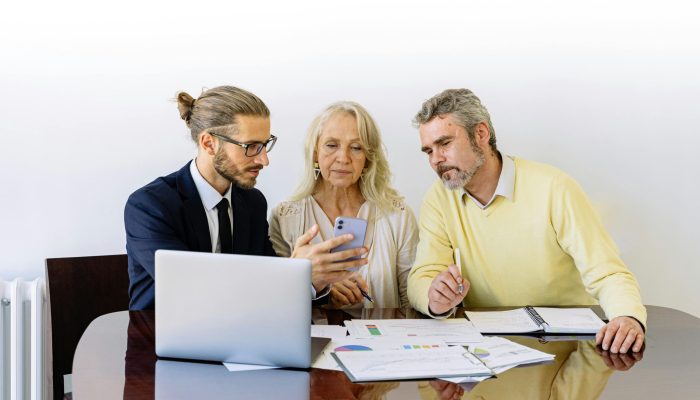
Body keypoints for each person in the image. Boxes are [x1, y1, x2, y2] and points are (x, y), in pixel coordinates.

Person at [407, 88, 646, 354]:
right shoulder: (438, 198)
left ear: (481, 134)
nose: (436, 160)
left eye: (444, 144)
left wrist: (627, 316)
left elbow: (607, 272)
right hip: (486, 352)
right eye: (428, 151)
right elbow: (422, 276)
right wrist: (435, 297)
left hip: (565, 347)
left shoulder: (554, 187)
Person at [124, 86, 367, 310]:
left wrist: (314, 280)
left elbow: (269, 290)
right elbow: (194, 293)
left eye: (265, 145)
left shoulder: (251, 203)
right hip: (160, 344)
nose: (264, 160)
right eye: (251, 146)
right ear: (209, 143)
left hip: (241, 342)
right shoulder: (150, 207)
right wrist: (295, 272)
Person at [269, 101, 418, 308]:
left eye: (356, 148)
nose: (343, 158)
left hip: (383, 337)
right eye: (331, 145)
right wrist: (318, 284)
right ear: (315, 153)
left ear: (368, 158)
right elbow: (277, 301)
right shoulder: (285, 217)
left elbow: (411, 299)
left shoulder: (397, 215)